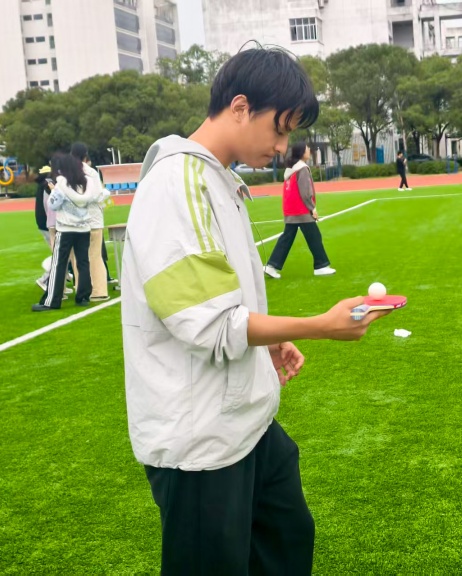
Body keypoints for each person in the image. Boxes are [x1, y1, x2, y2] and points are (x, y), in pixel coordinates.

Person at [121, 47, 393, 575]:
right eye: (280, 129)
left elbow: (226, 303)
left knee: (287, 540)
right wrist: (320, 326)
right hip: (200, 443)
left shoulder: (218, 178)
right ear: (241, 107)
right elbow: (211, 322)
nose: (283, 146)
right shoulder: (177, 185)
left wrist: (266, 337)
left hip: (245, 424)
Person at [32, 153, 98, 311]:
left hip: (66, 228)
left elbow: (53, 205)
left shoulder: (61, 184)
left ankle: (52, 301)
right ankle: (83, 296)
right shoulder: (87, 182)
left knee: (59, 264)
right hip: (84, 227)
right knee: (83, 262)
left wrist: (54, 191)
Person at [263, 141, 335, 279]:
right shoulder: (302, 169)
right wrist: (312, 208)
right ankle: (321, 266)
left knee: (286, 238)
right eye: (307, 149)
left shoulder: (291, 169)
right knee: (314, 237)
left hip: (291, 210)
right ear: (302, 152)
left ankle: (272, 266)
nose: (309, 151)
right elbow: (305, 192)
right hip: (301, 210)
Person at [71, 142, 110, 301]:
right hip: (93, 219)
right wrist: (106, 193)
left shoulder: (67, 172)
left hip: (75, 221)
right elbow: (96, 195)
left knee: (78, 258)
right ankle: (99, 290)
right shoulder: (91, 172)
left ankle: (81, 289)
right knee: (95, 256)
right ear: (85, 155)